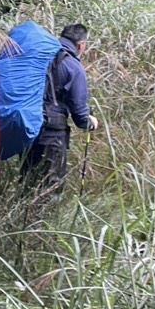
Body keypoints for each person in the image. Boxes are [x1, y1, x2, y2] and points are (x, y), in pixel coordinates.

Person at [24, 22, 99, 194]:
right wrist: (90, 122)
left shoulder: (40, 57)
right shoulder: (73, 66)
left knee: (27, 182)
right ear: (81, 45)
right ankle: (46, 219)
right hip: (52, 133)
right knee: (50, 187)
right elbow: (80, 115)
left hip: (28, 128)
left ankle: (22, 218)